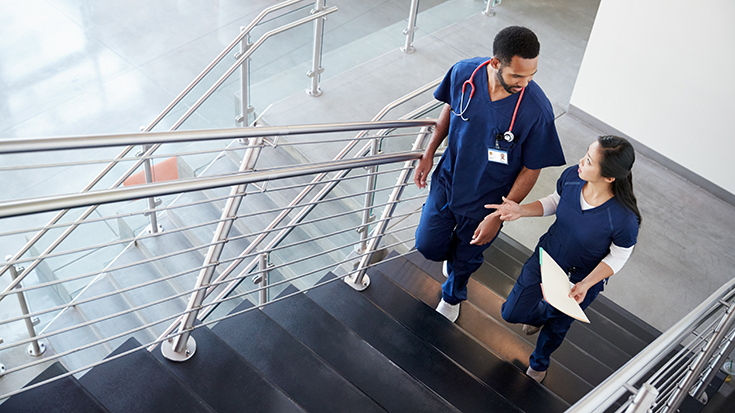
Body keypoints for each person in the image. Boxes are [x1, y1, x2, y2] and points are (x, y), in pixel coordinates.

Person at [413, 26, 565, 322]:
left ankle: (452, 294)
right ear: (496, 63)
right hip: (448, 181)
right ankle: (452, 258)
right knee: (427, 245)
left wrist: (500, 215)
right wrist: (429, 151)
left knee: (466, 259)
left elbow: (532, 167)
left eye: (532, 75)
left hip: (488, 201)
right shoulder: (463, 73)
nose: (526, 83)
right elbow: (450, 109)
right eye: (517, 76)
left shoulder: (536, 111)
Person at [488, 135, 642, 383]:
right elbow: (556, 201)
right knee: (511, 311)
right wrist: (521, 210)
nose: (581, 161)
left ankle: (539, 362)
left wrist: (586, 284)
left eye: (589, 161)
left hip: (581, 280)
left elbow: (619, 255)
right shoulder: (573, 176)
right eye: (586, 154)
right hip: (548, 257)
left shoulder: (623, 219)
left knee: (557, 327)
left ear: (609, 177)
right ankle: (540, 315)